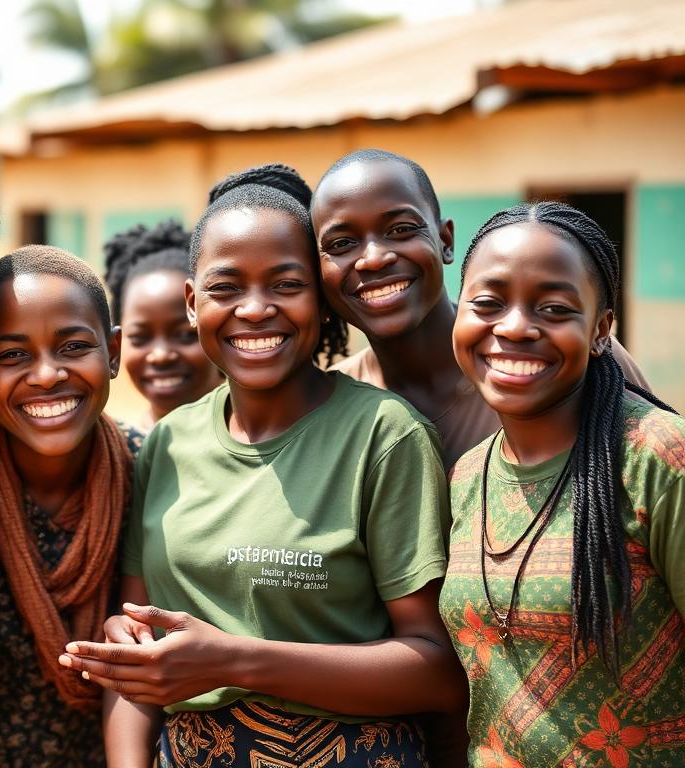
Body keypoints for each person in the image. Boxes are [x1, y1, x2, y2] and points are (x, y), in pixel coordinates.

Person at [60, 164, 467, 767]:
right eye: (226, 288)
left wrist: (234, 659)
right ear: (194, 304)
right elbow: (138, 661)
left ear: (323, 301)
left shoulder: (384, 435)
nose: (255, 310)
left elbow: (437, 672)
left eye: (285, 284)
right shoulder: (168, 444)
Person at [440, 202, 684, 767]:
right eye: (487, 303)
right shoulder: (468, 474)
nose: (515, 326)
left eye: (552, 308)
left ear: (600, 331)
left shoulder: (656, 458)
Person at [309, 148, 651, 469]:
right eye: (342, 243)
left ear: (445, 240)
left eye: (401, 229)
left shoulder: (559, 361)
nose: (374, 259)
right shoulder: (332, 406)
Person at [0, 245, 141, 767]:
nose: (45, 375)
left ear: (114, 353)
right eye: (12, 355)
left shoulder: (149, 471)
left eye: (73, 347)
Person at [103, 220, 223, 431]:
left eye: (185, 335)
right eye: (140, 337)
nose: (160, 355)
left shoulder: (258, 443)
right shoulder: (119, 454)